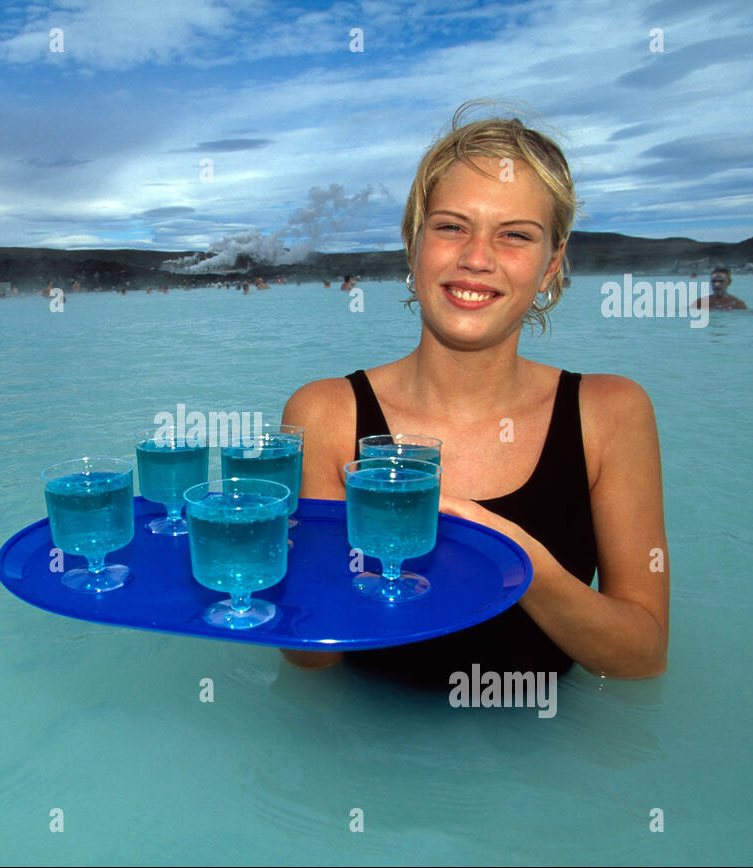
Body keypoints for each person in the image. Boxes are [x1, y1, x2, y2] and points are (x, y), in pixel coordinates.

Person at [281, 103, 669, 683]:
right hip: (370, 751)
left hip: (545, 756)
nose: (476, 257)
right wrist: (283, 560)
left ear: (550, 267)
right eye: (451, 226)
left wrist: (522, 562)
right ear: (413, 244)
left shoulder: (610, 413)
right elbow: (311, 657)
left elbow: (641, 658)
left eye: (514, 235)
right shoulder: (326, 412)